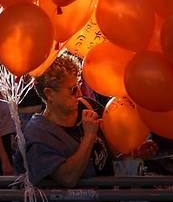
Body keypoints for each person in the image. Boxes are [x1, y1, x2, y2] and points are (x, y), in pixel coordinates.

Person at [16, 53, 113, 188]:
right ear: (49, 94)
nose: (79, 93)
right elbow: (67, 178)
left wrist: (131, 152)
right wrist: (89, 136)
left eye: (78, 85)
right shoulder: (38, 134)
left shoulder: (87, 106)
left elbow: (108, 148)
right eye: (72, 89)